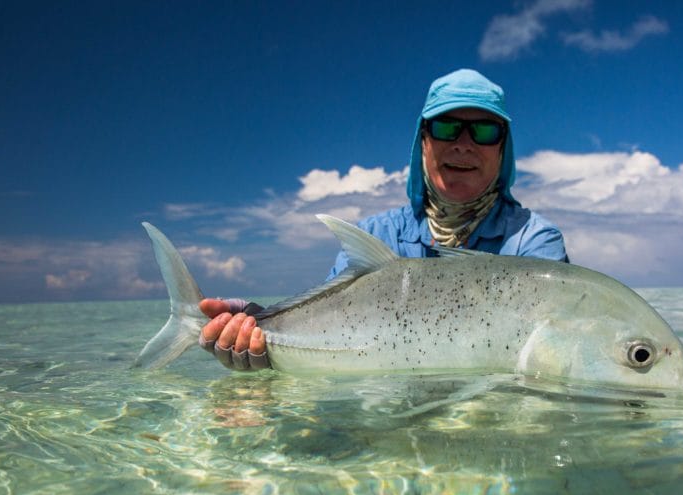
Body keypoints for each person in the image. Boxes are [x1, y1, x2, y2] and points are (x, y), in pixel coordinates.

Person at [199, 68, 569, 371]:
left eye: (485, 131)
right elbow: (332, 321)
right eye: (445, 128)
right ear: (422, 143)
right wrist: (262, 322)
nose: (463, 144)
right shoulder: (377, 236)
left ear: (503, 149)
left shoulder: (533, 243)